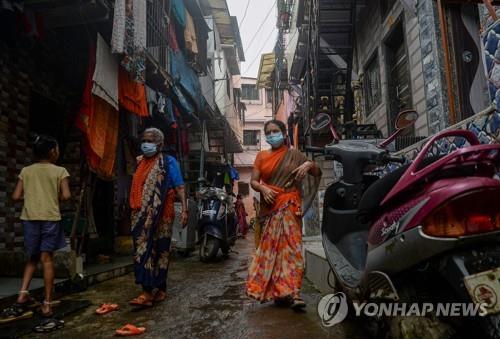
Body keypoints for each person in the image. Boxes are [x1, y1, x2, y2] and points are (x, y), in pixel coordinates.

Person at [246, 120, 322, 310]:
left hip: (289, 205)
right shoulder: (261, 156)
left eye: (276, 131)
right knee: (272, 252)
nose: (272, 135)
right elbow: (253, 182)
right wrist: (263, 189)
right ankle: (279, 292)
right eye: (269, 132)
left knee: (292, 250)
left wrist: (308, 164)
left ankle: (295, 293)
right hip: (269, 208)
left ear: (283, 133)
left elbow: (317, 171)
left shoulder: (294, 154)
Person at [0, 135, 70, 331]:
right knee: (47, 259)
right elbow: (66, 195)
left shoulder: (26, 171)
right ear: (52, 152)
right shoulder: (60, 171)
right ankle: (47, 303)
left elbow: (15, 196)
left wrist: (32, 195)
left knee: (32, 258)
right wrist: (50, 195)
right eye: (56, 149)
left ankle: (22, 294)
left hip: (29, 218)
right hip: (50, 218)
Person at [129, 128, 188, 307]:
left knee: (161, 250)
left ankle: (160, 288)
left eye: (150, 140)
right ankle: (146, 291)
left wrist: (185, 210)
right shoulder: (139, 162)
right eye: (144, 140)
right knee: (143, 250)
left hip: (163, 214)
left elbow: (179, 187)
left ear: (160, 144)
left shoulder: (169, 162)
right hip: (140, 214)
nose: (146, 144)